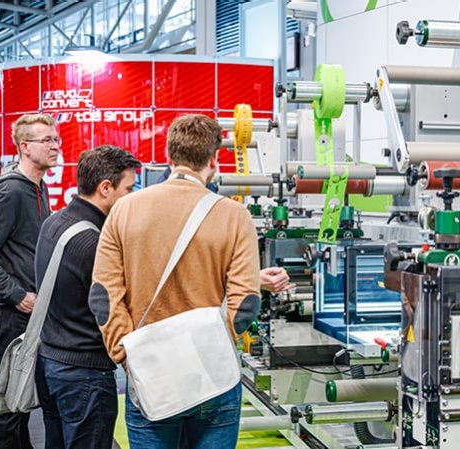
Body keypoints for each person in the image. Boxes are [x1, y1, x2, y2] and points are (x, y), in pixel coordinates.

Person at [89, 114, 261, 449]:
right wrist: (212, 347)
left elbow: (103, 297)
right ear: (214, 159)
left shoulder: (125, 209)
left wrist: (125, 353)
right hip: (214, 378)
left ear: (170, 158)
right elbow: (245, 305)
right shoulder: (234, 215)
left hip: (151, 374)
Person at [33, 145, 141, 449]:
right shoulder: (92, 244)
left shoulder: (54, 223)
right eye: (129, 188)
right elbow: (114, 307)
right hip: (85, 376)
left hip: (52, 364)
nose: (132, 197)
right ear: (105, 188)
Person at [0, 113, 59, 449]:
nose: (55, 145)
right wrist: (16, 293)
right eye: (46, 140)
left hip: (28, 315)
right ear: (24, 146)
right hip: (11, 315)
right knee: (10, 404)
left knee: (19, 401)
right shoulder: (12, 192)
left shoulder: (38, 187)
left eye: (55, 138)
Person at [157, 163, 293, 295]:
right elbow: (186, 273)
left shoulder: (204, 193)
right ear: (212, 161)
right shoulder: (172, 205)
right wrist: (252, 280)